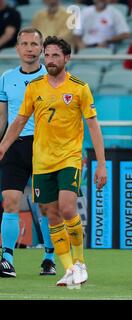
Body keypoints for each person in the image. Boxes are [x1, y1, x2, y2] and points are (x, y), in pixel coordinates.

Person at [0, 36, 107, 289]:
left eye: (56, 55)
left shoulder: (80, 87)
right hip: (42, 160)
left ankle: (80, 262)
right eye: (47, 55)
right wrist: (3, 145)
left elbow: (93, 126)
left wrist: (101, 163)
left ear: (67, 58)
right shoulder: (35, 87)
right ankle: (68, 267)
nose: (50, 60)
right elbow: (18, 121)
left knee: (68, 207)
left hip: (69, 157)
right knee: (50, 212)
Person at [0, 27, 56, 278]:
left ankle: (49, 257)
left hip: (45, 145)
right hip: (15, 145)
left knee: (45, 206)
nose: (29, 48)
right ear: (18, 48)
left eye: (34, 44)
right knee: (10, 202)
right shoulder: (6, 77)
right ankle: (7, 259)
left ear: (42, 49)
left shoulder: (53, 76)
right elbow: (3, 118)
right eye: (25, 44)